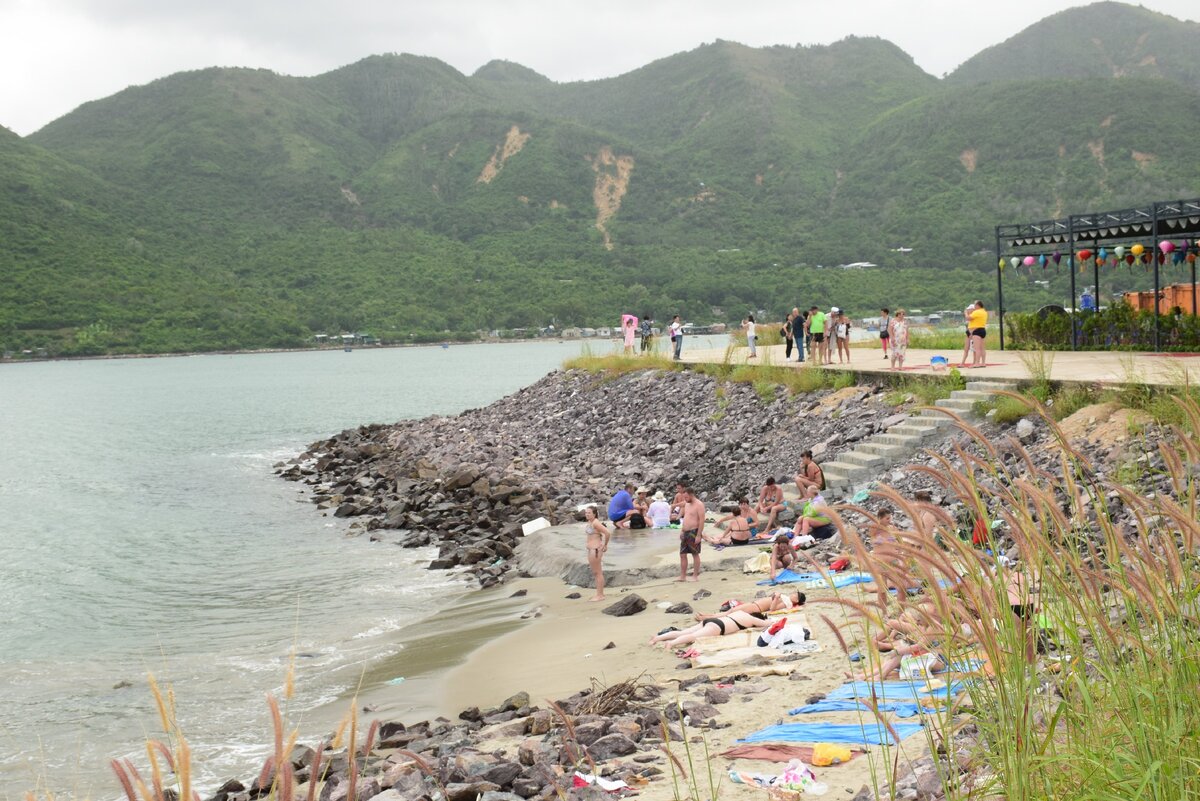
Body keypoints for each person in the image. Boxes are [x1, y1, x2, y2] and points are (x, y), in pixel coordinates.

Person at [649, 607, 772, 647]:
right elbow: (766, 624)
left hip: (714, 620)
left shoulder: (740, 612)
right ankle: (671, 643)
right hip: (719, 627)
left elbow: (726, 612)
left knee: (683, 632)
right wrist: (771, 620)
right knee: (692, 636)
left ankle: (657, 638)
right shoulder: (751, 620)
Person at [582, 506, 611, 602]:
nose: (587, 514)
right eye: (586, 512)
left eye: (589, 513)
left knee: (598, 573)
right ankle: (599, 594)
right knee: (596, 572)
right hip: (591, 550)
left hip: (595, 550)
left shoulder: (595, 523)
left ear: (594, 514)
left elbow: (607, 533)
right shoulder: (590, 522)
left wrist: (605, 545)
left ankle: (600, 595)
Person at [678, 485, 705, 581]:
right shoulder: (686, 504)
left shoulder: (699, 504)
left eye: (686, 497)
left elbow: (702, 520)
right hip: (685, 531)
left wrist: (698, 535)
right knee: (682, 554)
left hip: (694, 531)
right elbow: (686, 518)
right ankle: (683, 576)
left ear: (691, 495)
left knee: (695, 553)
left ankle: (695, 576)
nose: (685, 499)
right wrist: (682, 530)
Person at [968, 301, 988, 368]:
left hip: (976, 331)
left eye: (975, 305)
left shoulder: (977, 312)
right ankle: (983, 362)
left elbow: (969, 318)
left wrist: (966, 313)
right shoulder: (984, 312)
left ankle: (977, 363)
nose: (974, 306)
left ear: (978, 305)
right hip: (982, 329)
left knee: (977, 348)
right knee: (982, 348)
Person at [958, 303, 976, 368]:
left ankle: (974, 362)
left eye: (969, 309)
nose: (968, 310)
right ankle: (962, 362)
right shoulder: (969, 315)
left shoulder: (973, 316)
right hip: (968, 333)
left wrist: (965, 313)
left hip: (973, 334)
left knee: (974, 349)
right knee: (966, 348)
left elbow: (968, 319)